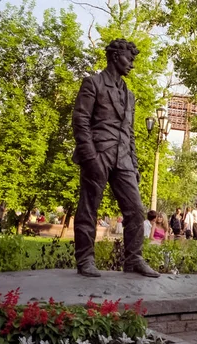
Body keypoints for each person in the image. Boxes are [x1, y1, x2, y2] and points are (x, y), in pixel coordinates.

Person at [72, 38, 159, 278]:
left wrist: (134, 162)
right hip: (98, 154)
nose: (131, 64)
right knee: (89, 207)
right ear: (114, 57)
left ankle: (133, 260)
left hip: (123, 159)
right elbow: (80, 120)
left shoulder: (129, 95)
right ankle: (85, 260)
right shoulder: (93, 83)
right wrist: (90, 156)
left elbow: (129, 132)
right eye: (128, 59)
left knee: (136, 210)